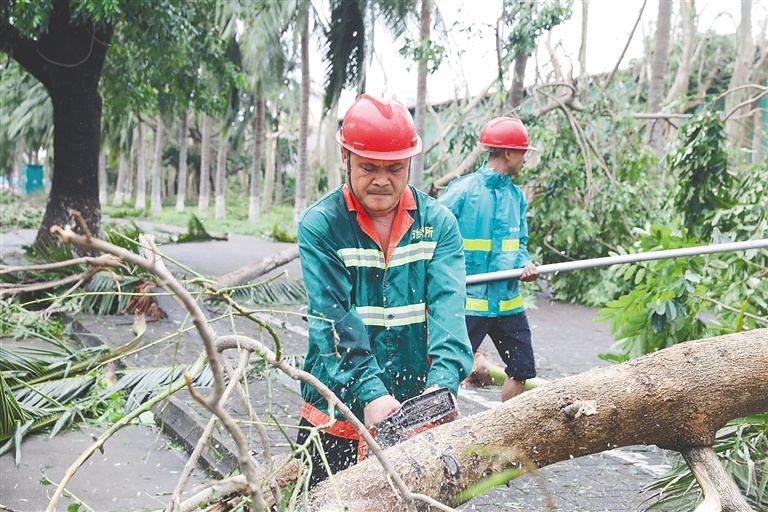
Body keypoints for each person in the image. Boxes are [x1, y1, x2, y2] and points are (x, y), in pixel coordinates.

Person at [295, 93, 474, 488]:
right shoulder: (322, 225)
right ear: (346, 159)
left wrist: (441, 388)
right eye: (368, 167)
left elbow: (449, 312)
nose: (381, 179)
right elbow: (334, 320)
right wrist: (371, 392)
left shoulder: (439, 224)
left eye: (394, 168)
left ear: (409, 163)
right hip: (336, 409)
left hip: (414, 403)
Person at [438, 116, 540, 402]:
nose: (524, 160)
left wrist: (525, 264)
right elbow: (432, 234)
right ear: (508, 152)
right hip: (469, 303)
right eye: (523, 153)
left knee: (522, 367)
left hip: (508, 303)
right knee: (447, 371)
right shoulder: (463, 191)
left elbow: (519, 243)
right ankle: (434, 429)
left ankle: (504, 432)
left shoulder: (516, 197)